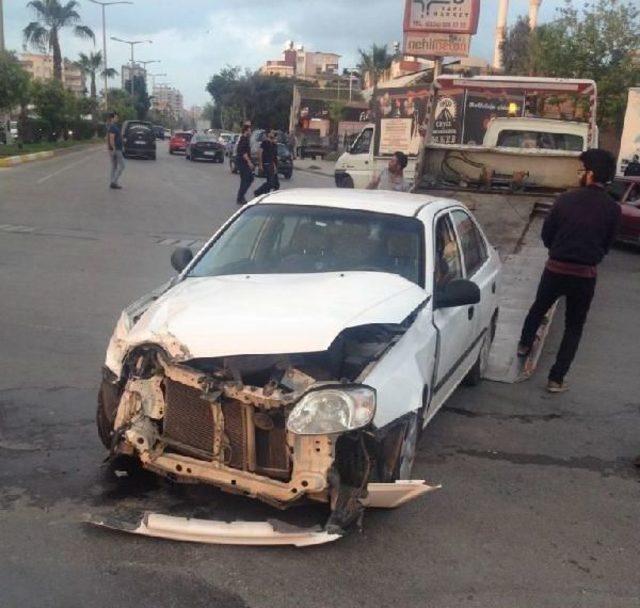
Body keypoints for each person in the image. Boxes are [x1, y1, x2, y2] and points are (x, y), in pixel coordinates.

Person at [517, 148, 621, 393]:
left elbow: (546, 234)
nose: (580, 174)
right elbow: (608, 244)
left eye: (582, 170)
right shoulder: (612, 209)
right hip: (584, 276)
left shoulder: (565, 200)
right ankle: (556, 379)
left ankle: (523, 345)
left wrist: (557, 249)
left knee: (539, 307)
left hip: (555, 269)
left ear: (590, 174)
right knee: (574, 327)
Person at [254, 130, 280, 197]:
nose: (274, 138)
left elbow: (274, 156)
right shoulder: (265, 143)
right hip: (266, 163)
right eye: (272, 135)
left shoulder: (274, 145)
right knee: (270, 182)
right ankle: (258, 192)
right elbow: (260, 153)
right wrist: (260, 165)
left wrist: (275, 166)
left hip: (272, 165)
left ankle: (267, 194)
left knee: (276, 184)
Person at [235, 123, 254, 205]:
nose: (251, 132)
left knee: (247, 179)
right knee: (247, 179)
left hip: (243, 162)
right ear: (246, 130)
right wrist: (249, 162)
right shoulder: (244, 139)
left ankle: (241, 196)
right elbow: (243, 153)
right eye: (250, 130)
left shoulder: (245, 138)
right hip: (243, 163)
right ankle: (240, 197)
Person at [107, 112, 124, 190]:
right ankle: (114, 181)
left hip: (116, 149)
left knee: (114, 166)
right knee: (122, 166)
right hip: (116, 150)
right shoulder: (113, 127)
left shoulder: (113, 126)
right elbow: (111, 139)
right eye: (116, 117)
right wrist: (113, 149)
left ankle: (113, 182)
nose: (117, 118)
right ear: (112, 118)